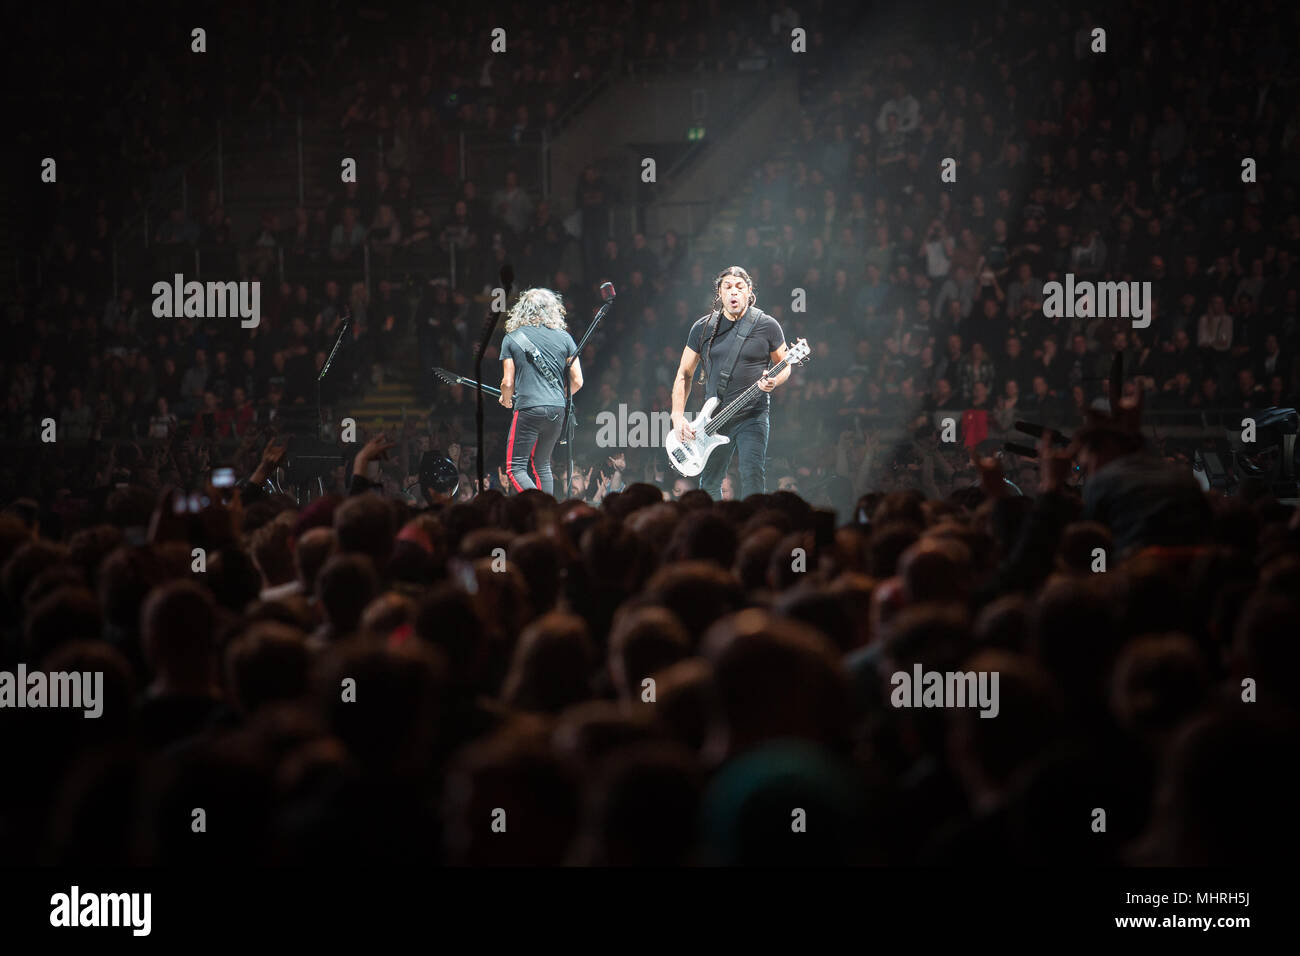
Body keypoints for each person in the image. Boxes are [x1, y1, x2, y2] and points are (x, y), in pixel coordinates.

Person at [670, 266, 790, 500]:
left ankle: (753, 527)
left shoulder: (767, 325)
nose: (733, 292)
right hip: (715, 419)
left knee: (752, 473)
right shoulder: (702, 328)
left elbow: (785, 363)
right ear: (719, 293)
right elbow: (684, 373)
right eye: (727, 287)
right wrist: (676, 415)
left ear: (749, 291)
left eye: (739, 287)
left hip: (752, 414)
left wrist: (773, 381)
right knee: (710, 481)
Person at [498, 288, 583, 495]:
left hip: (528, 409)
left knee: (515, 467)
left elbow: (507, 383)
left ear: (521, 310)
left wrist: (506, 399)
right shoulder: (565, 338)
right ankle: (550, 510)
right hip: (557, 409)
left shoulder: (512, 338)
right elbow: (578, 381)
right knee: (542, 465)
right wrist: (556, 397)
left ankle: (538, 506)